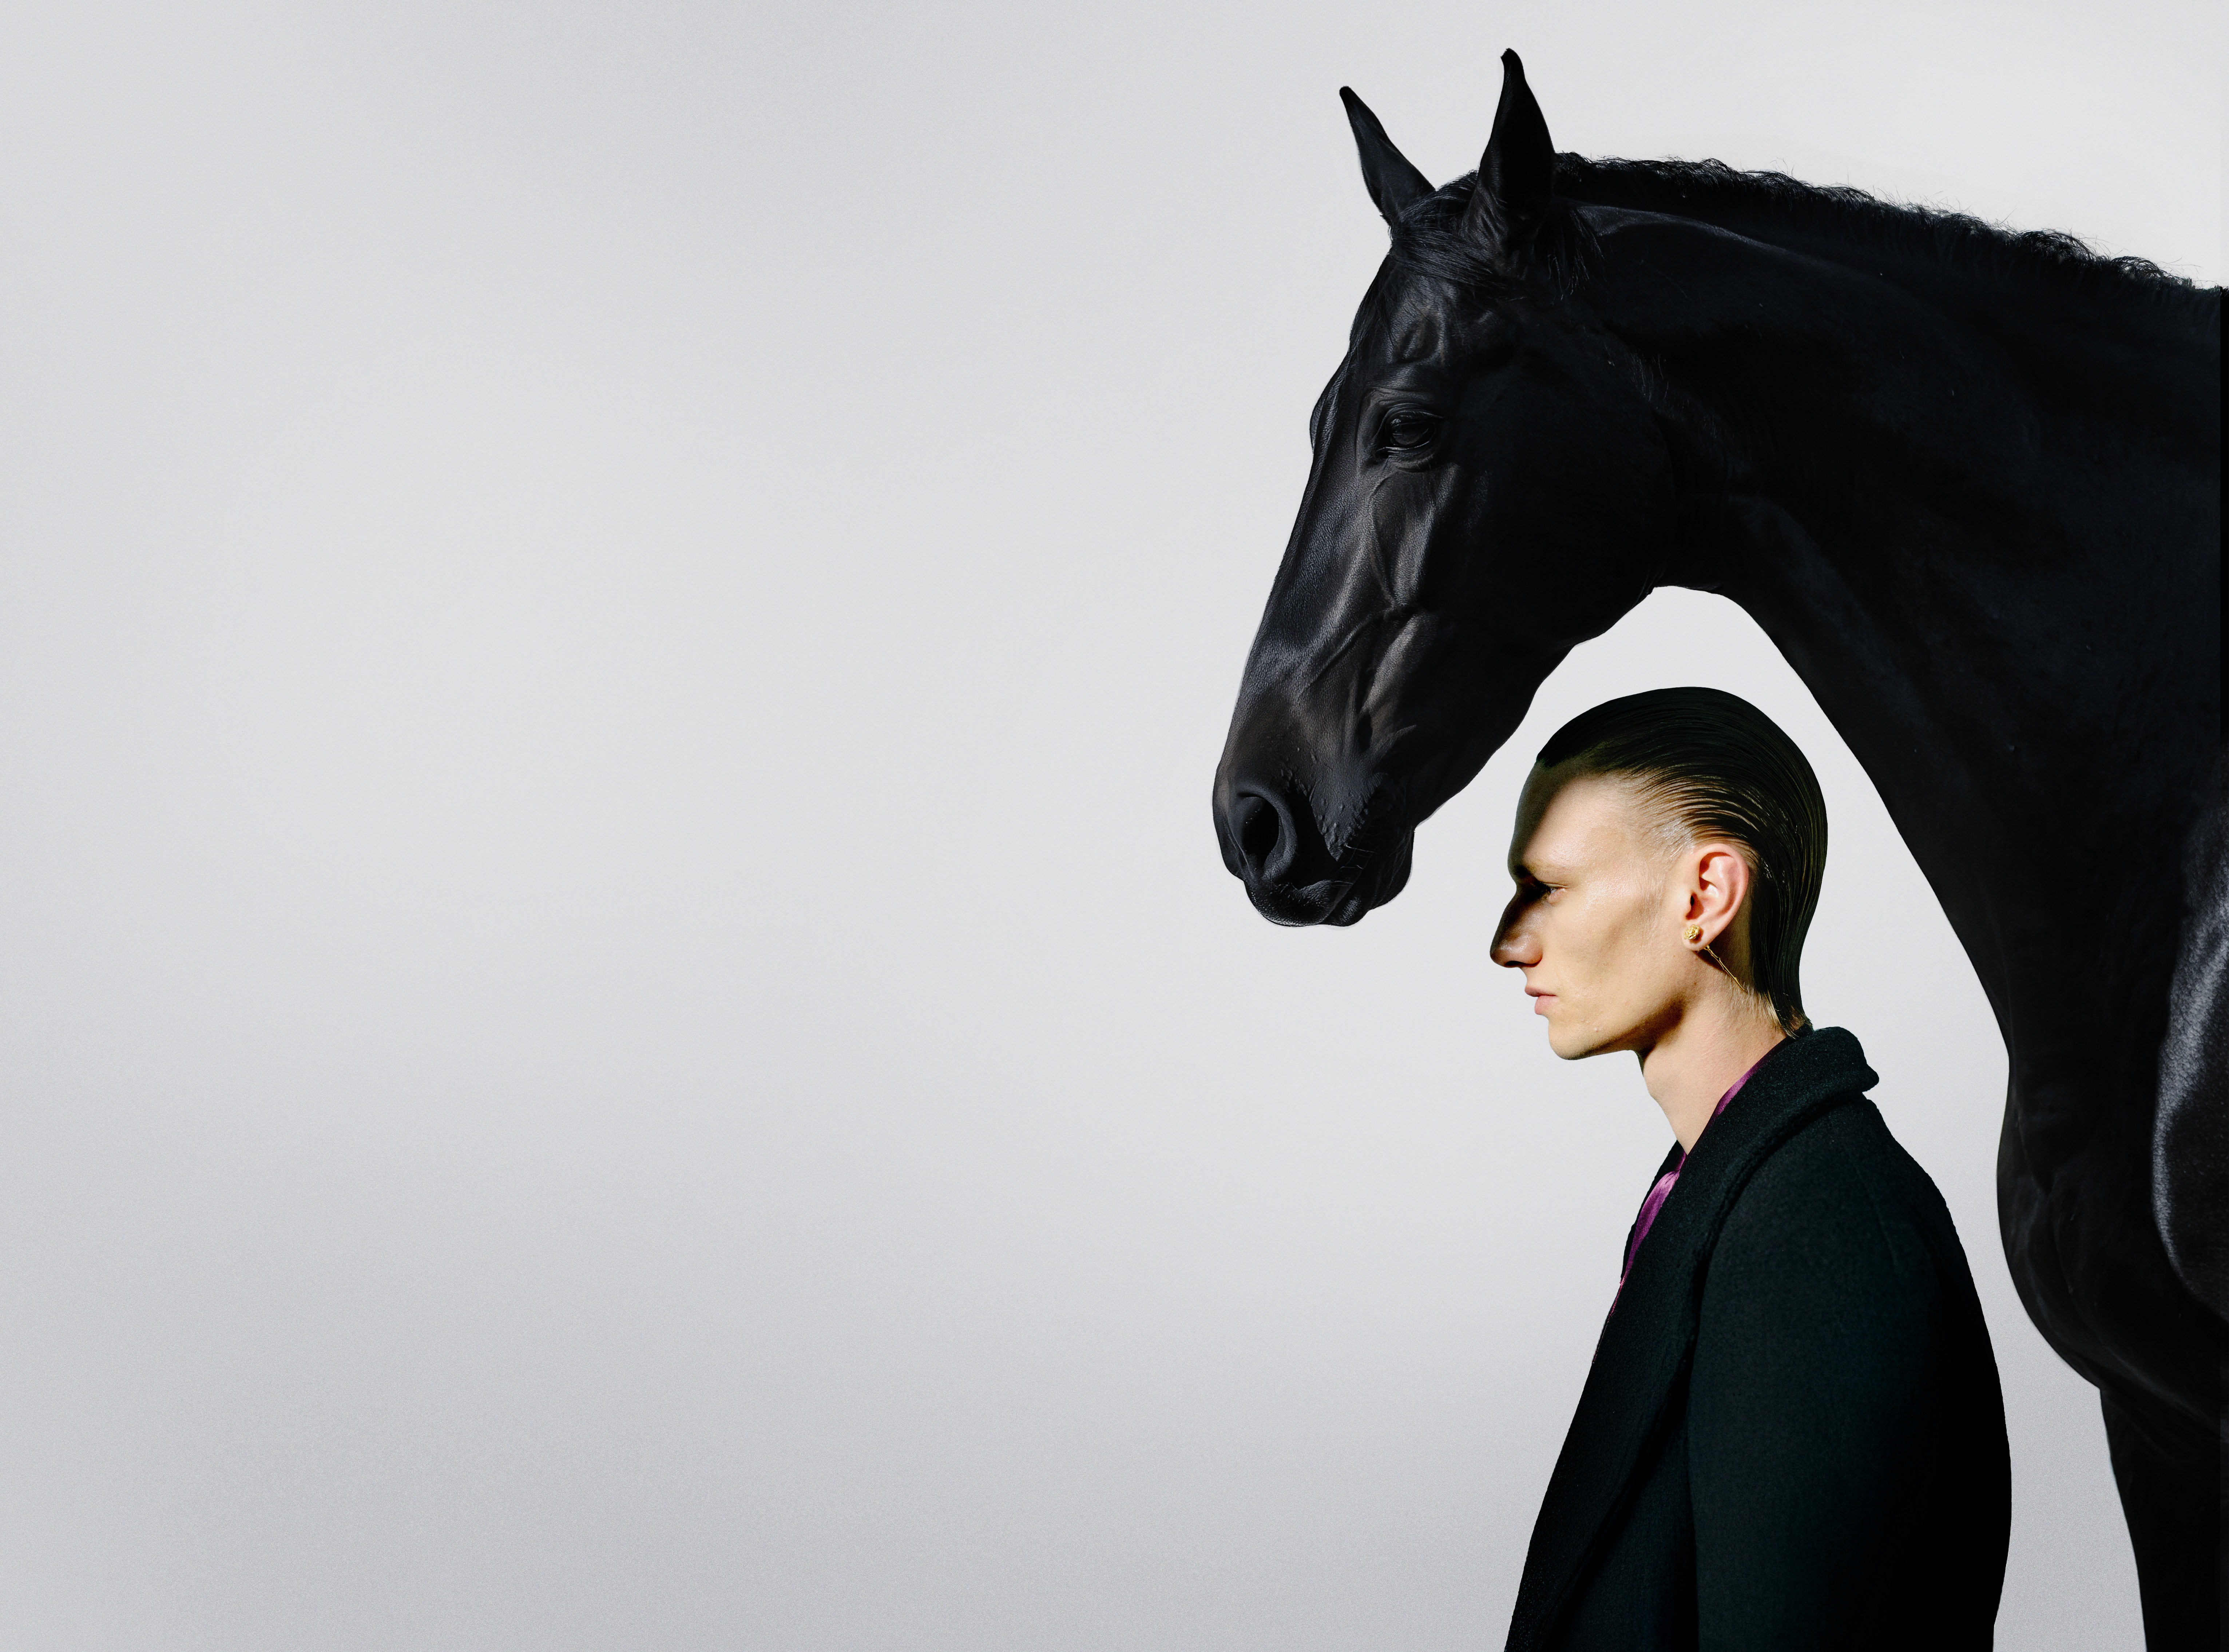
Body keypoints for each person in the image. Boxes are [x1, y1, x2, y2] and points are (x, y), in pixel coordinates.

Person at [1490, 687, 2011, 1651]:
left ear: (1704, 897)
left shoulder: (1822, 1239)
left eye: (1548, 887)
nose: (1507, 944)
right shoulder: (1727, 1194)